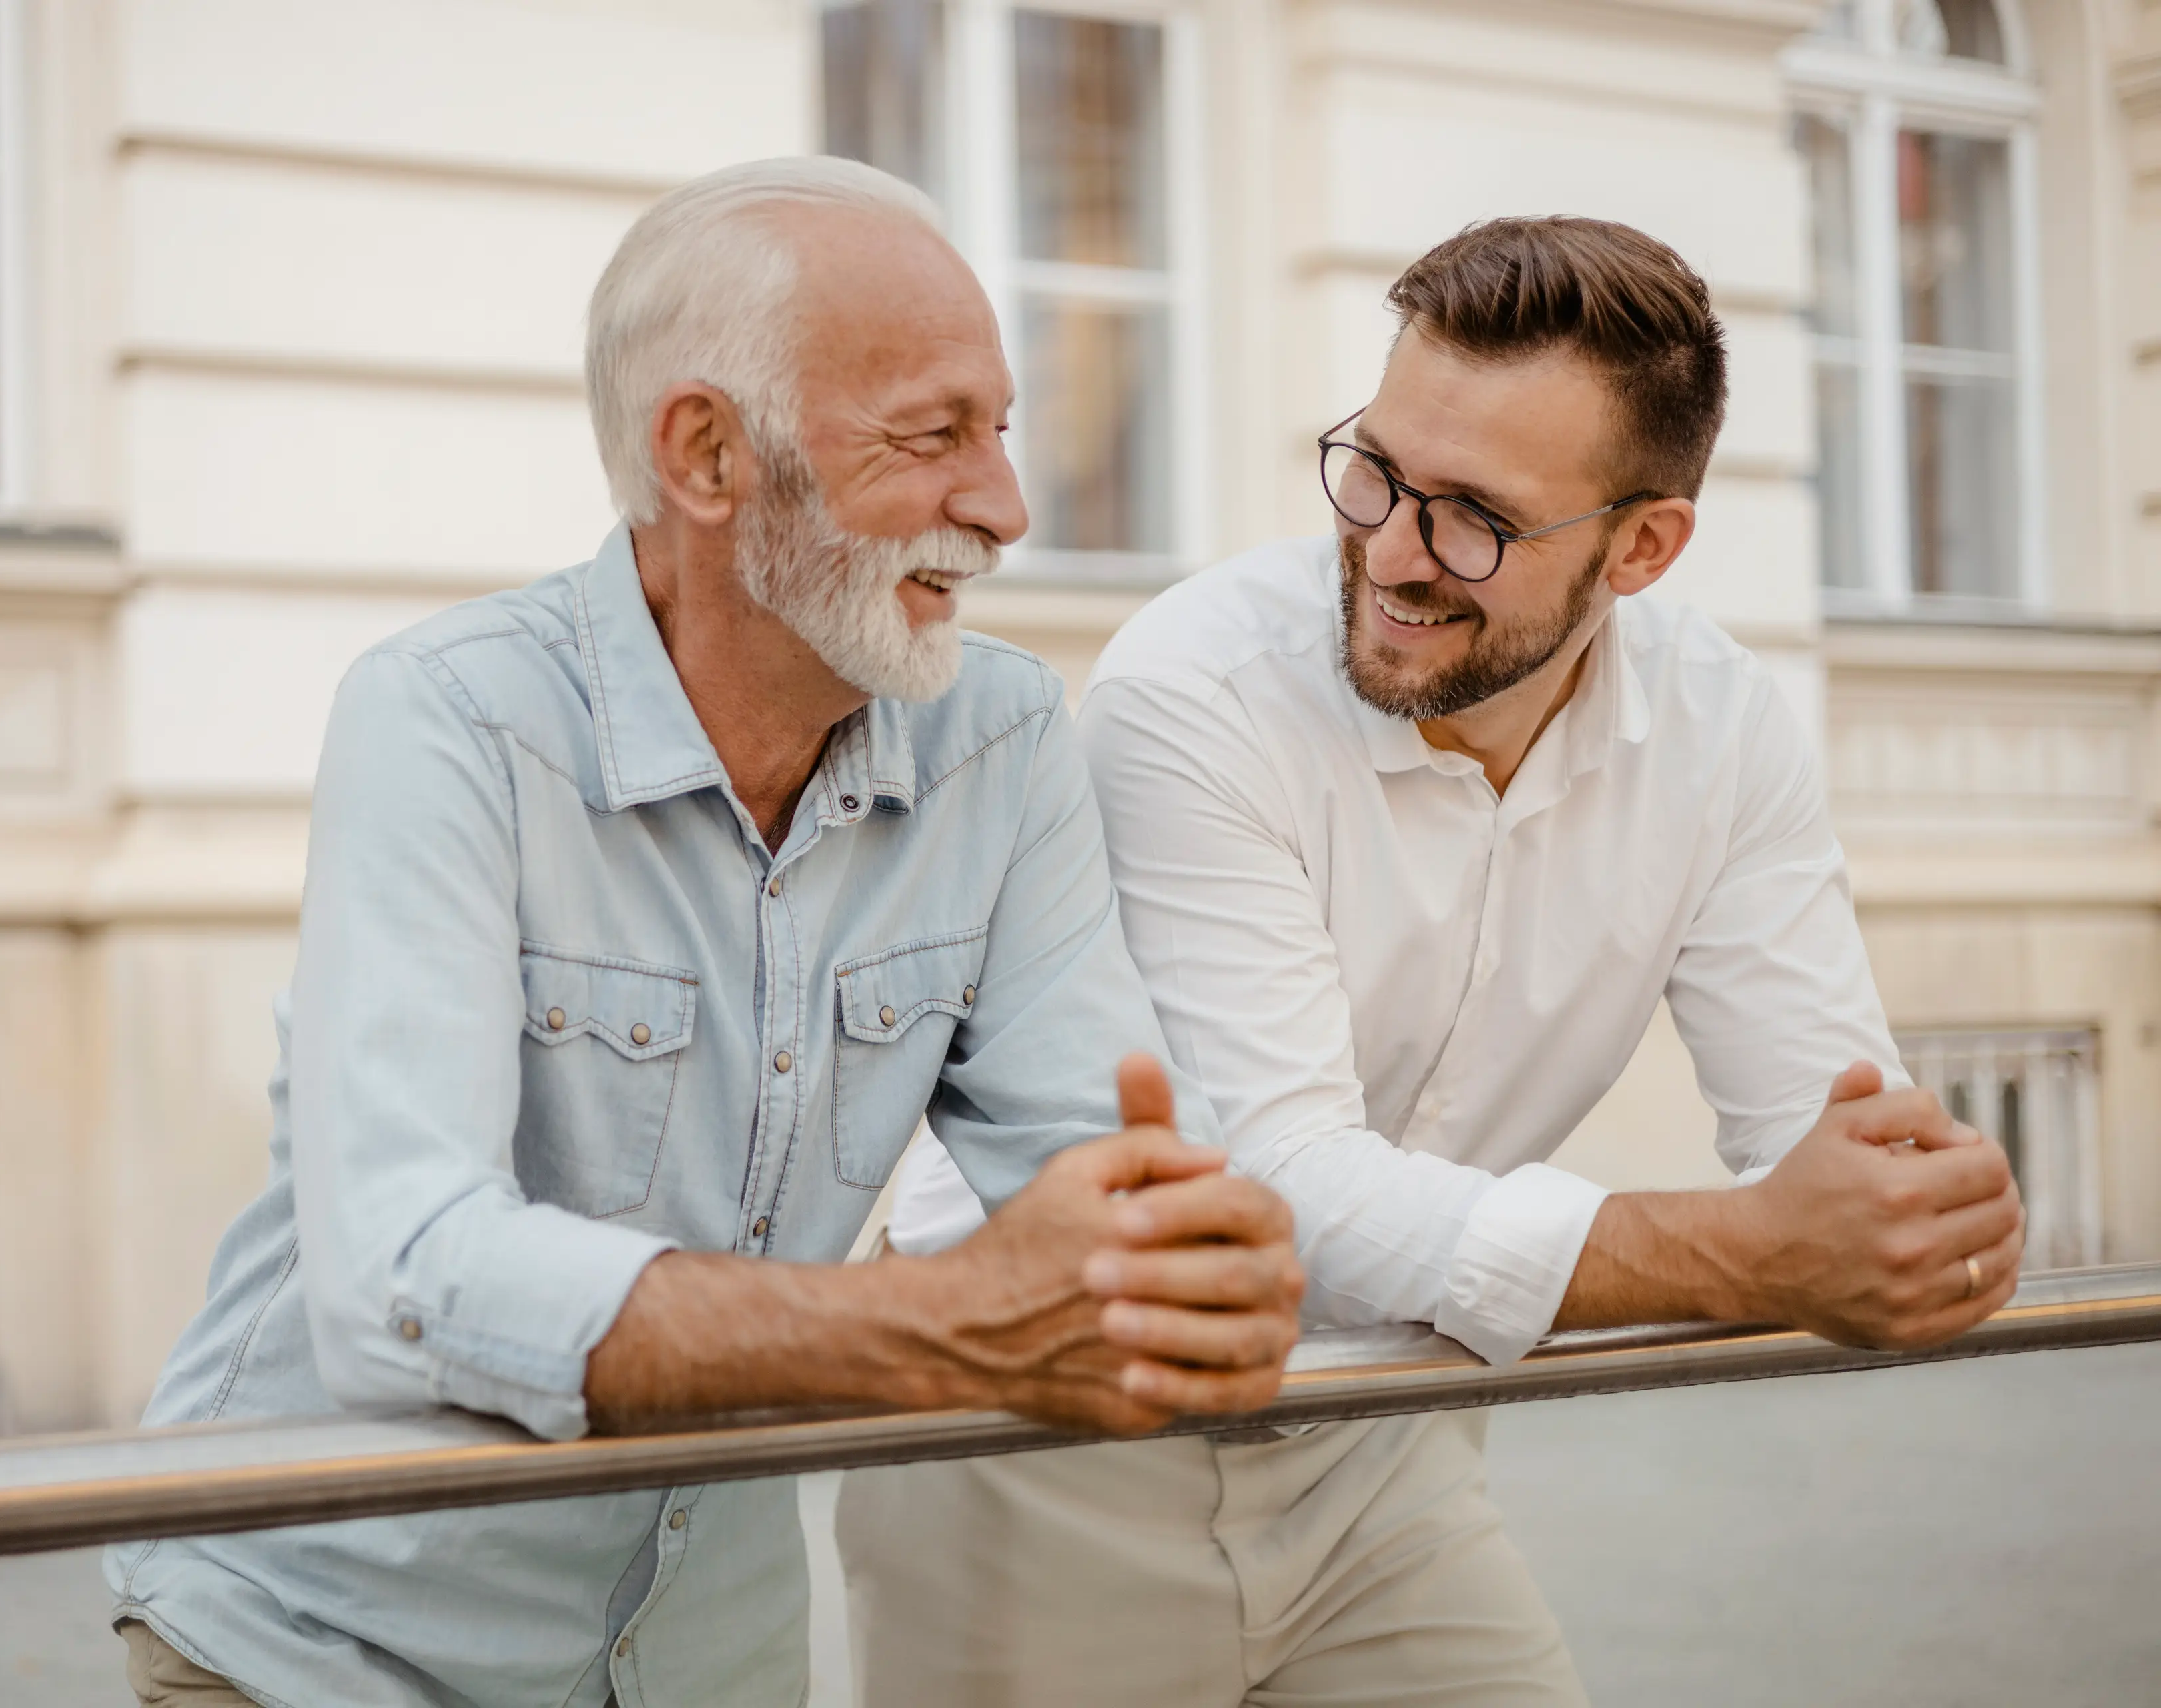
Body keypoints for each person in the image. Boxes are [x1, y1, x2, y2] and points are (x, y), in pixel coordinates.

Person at [103, 157, 1306, 1708]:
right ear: (708, 454)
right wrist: (940, 1321)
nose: (1005, 506)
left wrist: (1184, 1257)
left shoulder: (1002, 741)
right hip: (325, 1647)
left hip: (701, 1660)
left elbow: (1101, 1196)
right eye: (932, 435)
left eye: (1002, 430)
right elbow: (402, 1273)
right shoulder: (449, 717)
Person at [839, 216, 2026, 1707]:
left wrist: (1911, 1209)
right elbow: (1280, 1184)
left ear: (1643, 547)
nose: (1394, 551)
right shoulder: (1195, 686)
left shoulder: (1724, 729)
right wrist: (1753, 1248)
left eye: (1476, 517)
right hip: (1053, 1444)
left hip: (1383, 1445)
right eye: (1378, 470)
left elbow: (1830, 1139)